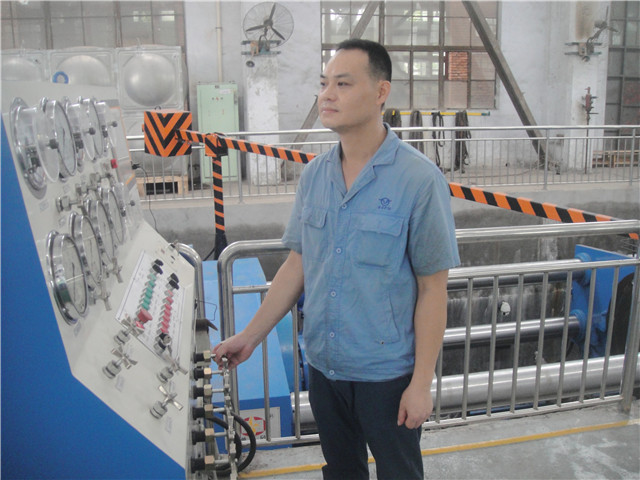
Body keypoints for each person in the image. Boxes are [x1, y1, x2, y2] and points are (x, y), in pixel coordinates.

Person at [213, 39, 460, 479]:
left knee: (399, 472)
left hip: (386, 375)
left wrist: (421, 383)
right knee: (342, 472)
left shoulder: (419, 180)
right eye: (324, 83)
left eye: (343, 84)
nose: (327, 95)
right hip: (325, 368)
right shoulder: (315, 175)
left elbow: (432, 289)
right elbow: (298, 265)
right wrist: (250, 337)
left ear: (381, 92)